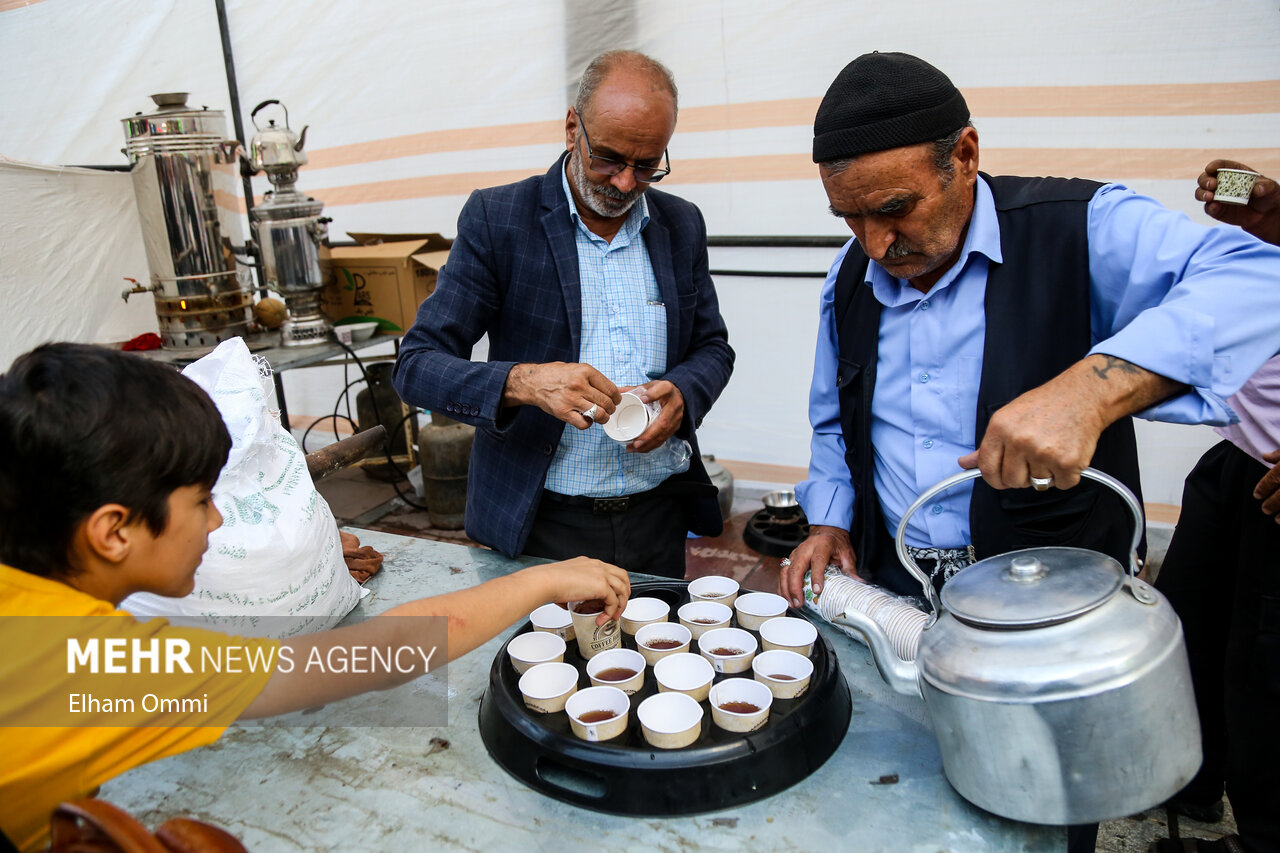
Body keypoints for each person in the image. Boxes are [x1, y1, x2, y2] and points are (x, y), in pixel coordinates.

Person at [777, 53, 1280, 853]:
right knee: (900, 798)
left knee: (1039, 809)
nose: (875, 243)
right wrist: (832, 519)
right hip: (899, 596)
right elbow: (834, 418)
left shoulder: (1082, 228)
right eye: (850, 218)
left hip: (1048, 617)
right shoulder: (852, 273)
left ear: (966, 155)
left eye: (896, 209)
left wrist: (1095, 387)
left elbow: (1262, 278)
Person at [0, 343, 630, 853]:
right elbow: (380, 654)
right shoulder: (97, 666)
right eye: (200, 501)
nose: (217, 523)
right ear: (112, 531)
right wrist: (544, 579)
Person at [392, 50, 734, 578]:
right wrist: (526, 383)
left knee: (652, 657)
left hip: (659, 513)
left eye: (647, 166)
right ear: (573, 127)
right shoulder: (499, 219)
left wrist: (685, 392)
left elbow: (713, 346)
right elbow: (415, 366)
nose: (624, 183)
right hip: (541, 522)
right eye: (609, 159)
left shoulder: (680, 224)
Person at [1149, 161, 1280, 853]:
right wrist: (1271, 217)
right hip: (1239, 455)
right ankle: (1189, 781)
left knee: (1265, 673)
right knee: (1189, 626)